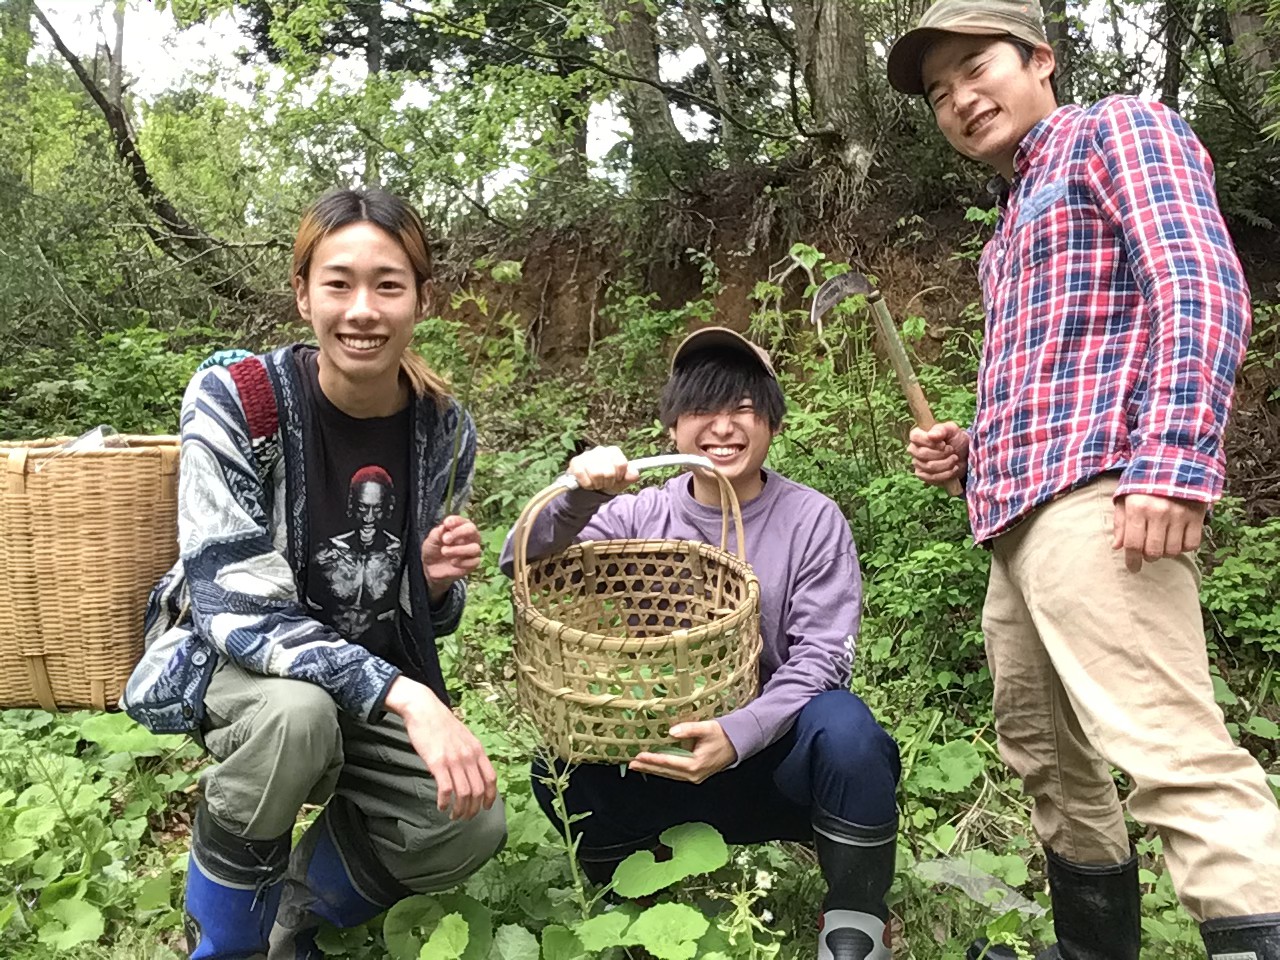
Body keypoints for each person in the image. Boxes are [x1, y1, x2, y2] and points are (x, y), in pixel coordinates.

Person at [887, 3, 1280, 959]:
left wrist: (1174, 463)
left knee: (1169, 753)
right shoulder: (1008, 226)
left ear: (1040, 60)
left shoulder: (1119, 128)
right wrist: (970, 451)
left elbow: (1200, 281)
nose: (960, 100)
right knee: (1050, 766)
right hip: (1017, 528)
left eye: (976, 69)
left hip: (1103, 503)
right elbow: (1070, 373)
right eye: (940, 94)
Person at [122, 188, 506, 960]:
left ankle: (292, 920)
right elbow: (232, 602)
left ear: (421, 300)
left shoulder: (442, 429)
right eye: (338, 283)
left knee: (466, 820)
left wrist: (423, 581)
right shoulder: (239, 401)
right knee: (295, 717)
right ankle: (226, 947)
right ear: (303, 296)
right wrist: (407, 696)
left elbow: (418, 620)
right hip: (237, 666)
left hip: (359, 675)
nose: (363, 309)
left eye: (388, 285)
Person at [500, 328, 902, 960]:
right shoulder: (638, 516)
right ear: (673, 429)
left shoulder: (812, 519)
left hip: (773, 761)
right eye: (702, 410)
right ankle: (635, 902)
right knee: (557, 768)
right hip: (660, 753)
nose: (724, 427)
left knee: (848, 731)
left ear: (771, 420)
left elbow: (823, 658)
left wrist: (738, 732)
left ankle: (856, 922)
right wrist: (579, 494)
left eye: (743, 407)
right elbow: (520, 559)